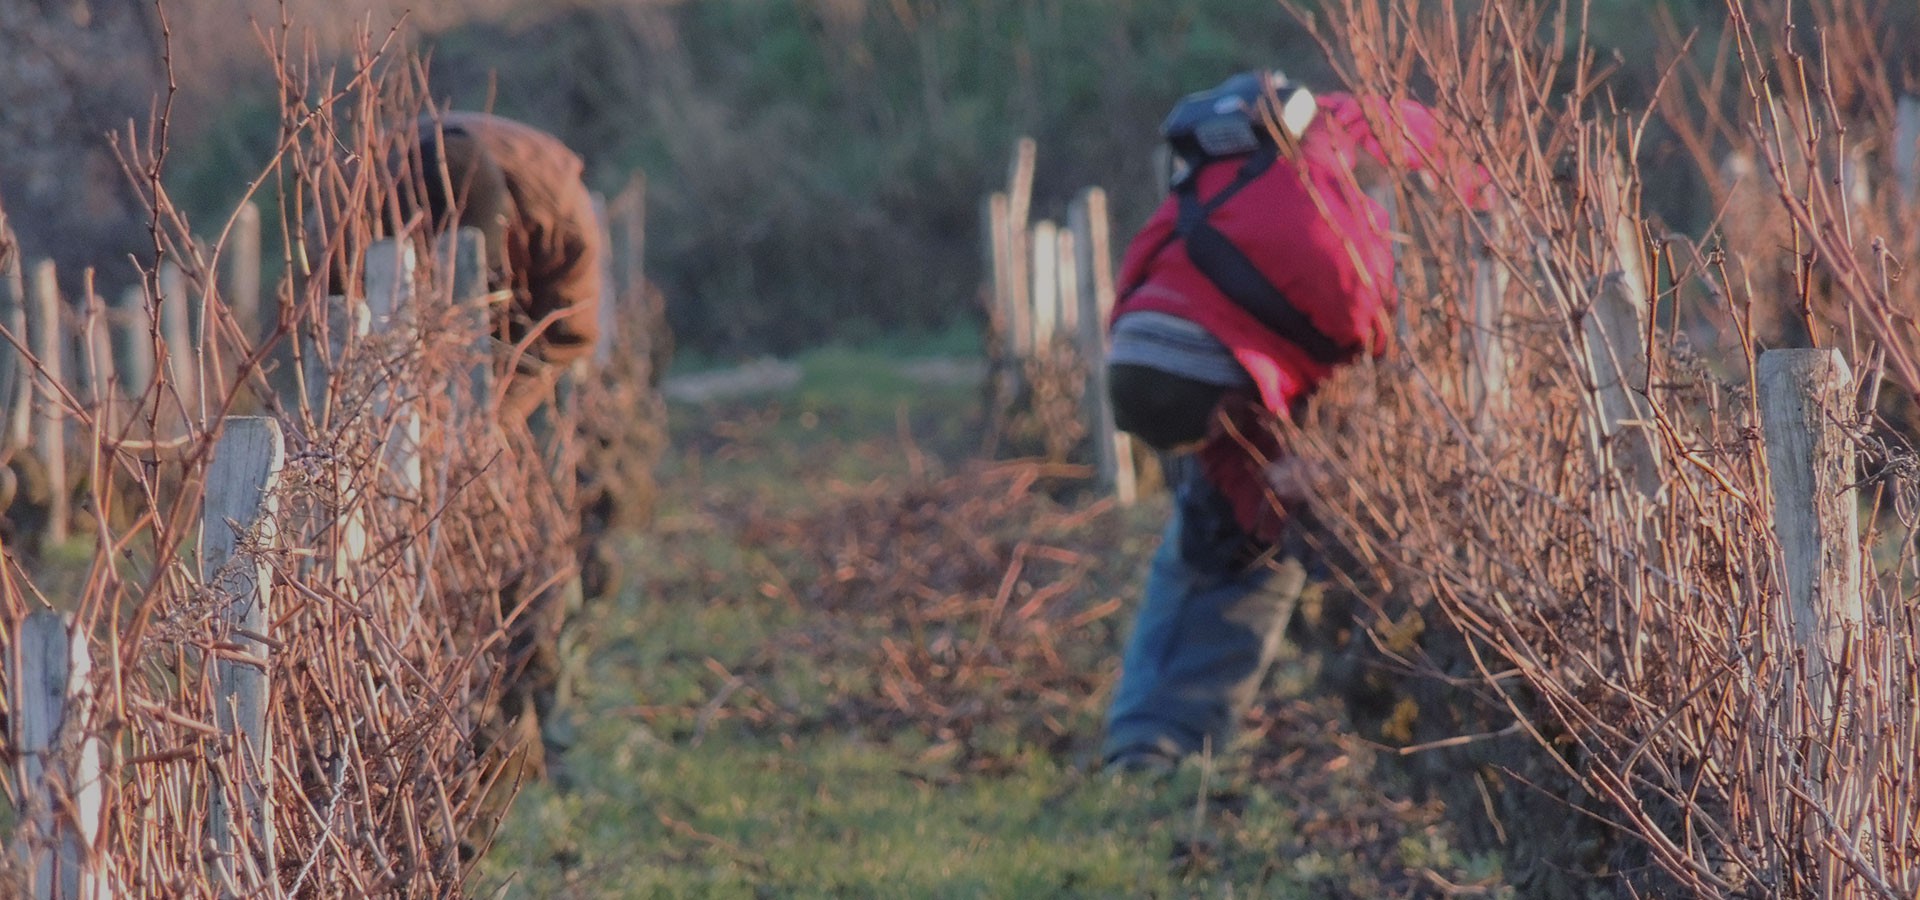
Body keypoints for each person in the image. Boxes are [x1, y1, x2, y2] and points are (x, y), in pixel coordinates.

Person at [1100, 71, 1466, 772]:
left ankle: (1393, 701)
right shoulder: (1144, 320)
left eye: (1218, 426)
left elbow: (1422, 384)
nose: (1220, 441)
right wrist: (1272, 494)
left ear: (1233, 383)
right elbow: (1226, 452)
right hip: (1273, 343)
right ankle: (1150, 747)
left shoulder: (1340, 279)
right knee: (1220, 532)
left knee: (1349, 529)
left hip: (1377, 306)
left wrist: (1348, 469)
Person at [400, 111, 606, 784]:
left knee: (542, 517)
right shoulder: (374, 199)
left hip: (534, 347)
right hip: (422, 355)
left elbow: (571, 333)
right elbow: (333, 309)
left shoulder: (558, 211)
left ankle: (554, 713)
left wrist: (495, 414)